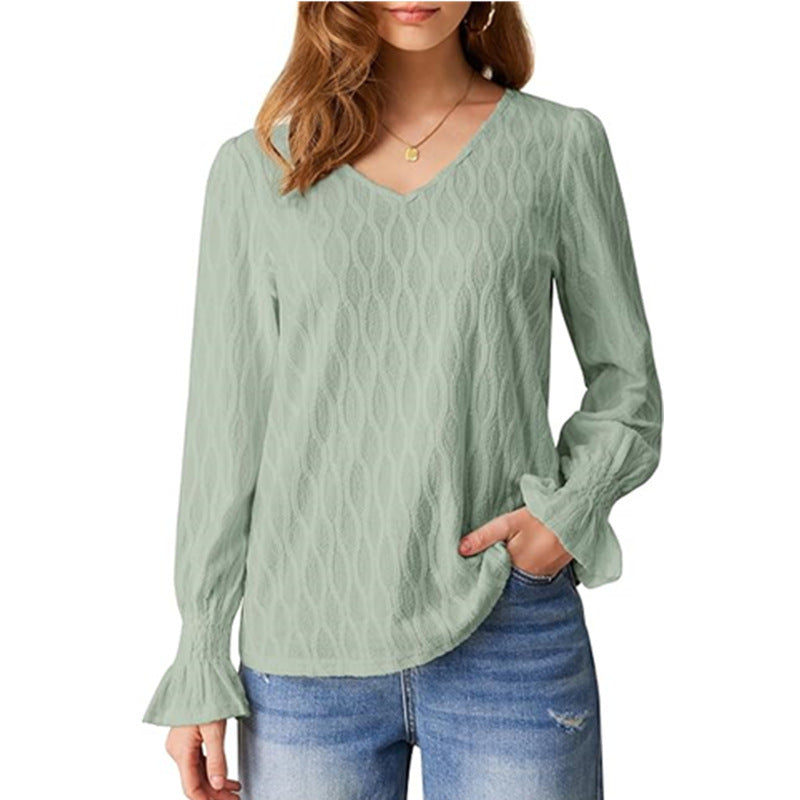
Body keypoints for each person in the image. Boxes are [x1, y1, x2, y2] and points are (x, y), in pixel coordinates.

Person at [142, 3, 663, 799]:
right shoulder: (256, 168)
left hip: (508, 632)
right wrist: (201, 651)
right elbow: (225, 431)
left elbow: (628, 384)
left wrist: (565, 516)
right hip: (305, 655)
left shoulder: (559, 146)